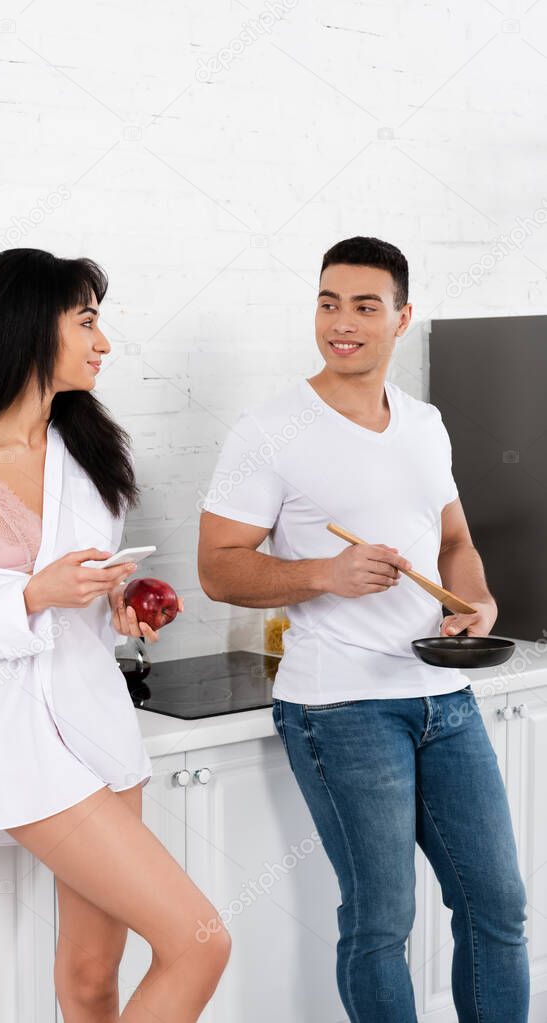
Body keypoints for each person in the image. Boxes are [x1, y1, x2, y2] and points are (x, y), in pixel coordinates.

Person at [0, 248, 231, 1022]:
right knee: (201, 941)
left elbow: (80, 591)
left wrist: (122, 603)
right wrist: (33, 595)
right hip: (18, 741)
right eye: (85, 320)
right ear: (25, 328)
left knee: (89, 975)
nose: (103, 341)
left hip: (99, 722)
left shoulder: (90, 451)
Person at [198, 236, 529, 1022]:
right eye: (327, 302)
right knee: (381, 923)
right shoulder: (268, 428)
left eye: (364, 306)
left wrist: (473, 602)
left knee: (498, 906)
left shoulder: (423, 423)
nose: (341, 323)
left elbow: (453, 541)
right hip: (340, 708)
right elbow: (216, 566)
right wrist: (323, 573)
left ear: (401, 317)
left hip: (443, 698)